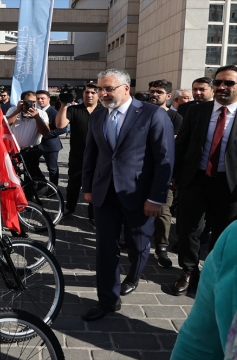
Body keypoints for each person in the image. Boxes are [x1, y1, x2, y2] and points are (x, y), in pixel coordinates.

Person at [81, 69, 174, 322]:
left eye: (108, 88)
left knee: (138, 244)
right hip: (104, 194)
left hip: (139, 195)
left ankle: (134, 275)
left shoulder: (152, 114)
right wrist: (87, 187)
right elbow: (91, 154)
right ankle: (108, 300)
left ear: (125, 88)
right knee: (105, 248)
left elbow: (164, 159)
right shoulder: (98, 115)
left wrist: (156, 198)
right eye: (100, 89)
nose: (102, 94)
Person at [172, 65, 237, 296]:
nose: (222, 87)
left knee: (222, 234)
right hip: (195, 180)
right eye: (219, 82)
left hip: (230, 186)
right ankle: (189, 271)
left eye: (229, 83)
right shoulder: (197, 111)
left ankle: (215, 274)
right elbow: (181, 145)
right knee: (189, 229)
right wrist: (174, 177)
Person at [170, 220, 237, 360]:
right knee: (191, 225)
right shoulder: (233, 237)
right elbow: (198, 344)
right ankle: (189, 271)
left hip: (227, 201)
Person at [148, 79, 184, 269]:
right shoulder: (140, 114)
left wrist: (173, 175)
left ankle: (161, 247)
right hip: (142, 172)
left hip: (165, 172)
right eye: (152, 91)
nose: (154, 95)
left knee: (163, 211)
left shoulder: (175, 118)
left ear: (168, 96)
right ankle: (139, 242)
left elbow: (172, 147)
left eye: (159, 92)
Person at [56, 83, 102, 229]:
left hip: (99, 156)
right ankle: (70, 208)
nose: (89, 95)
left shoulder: (105, 110)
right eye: (87, 93)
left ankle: (93, 216)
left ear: (98, 94)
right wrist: (64, 104)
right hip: (77, 154)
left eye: (93, 93)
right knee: (73, 183)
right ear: (82, 94)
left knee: (95, 185)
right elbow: (60, 125)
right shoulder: (73, 109)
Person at [5, 91, 50, 182]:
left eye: (34, 102)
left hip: (31, 149)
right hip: (14, 149)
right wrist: (18, 111)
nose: (31, 104)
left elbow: (46, 133)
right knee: (12, 173)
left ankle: (31, 192)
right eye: (28, 101)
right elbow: (4, 125)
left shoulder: (41, 114)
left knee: (30, 174)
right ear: (22, 101)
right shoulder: (13, 110)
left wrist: (37, 118)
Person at [36, 90, 65, 186]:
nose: (40, 100)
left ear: (48, 99)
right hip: (36, 144)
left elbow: (62, 129)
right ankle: (41, 182)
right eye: (38, 98)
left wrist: (46, 134)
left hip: (50, 145)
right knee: (31, 164)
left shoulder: (54, 112)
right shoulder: (36, 111)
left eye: (42, 98)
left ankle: (53, 188)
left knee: (52, 168)